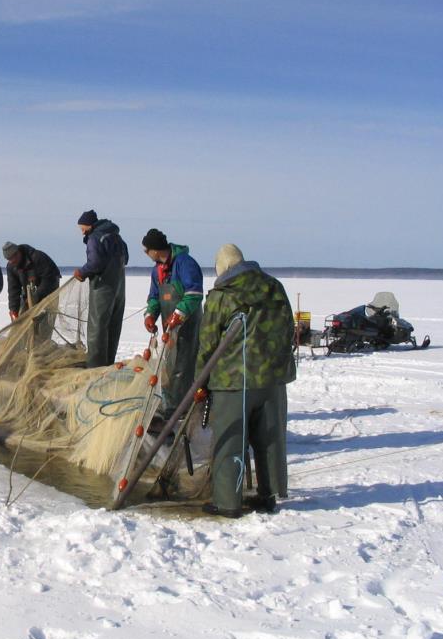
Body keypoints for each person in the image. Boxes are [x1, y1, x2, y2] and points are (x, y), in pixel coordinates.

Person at [197, 244, 296, 518]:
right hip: (272, 380)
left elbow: (208, 342)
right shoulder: (274, 287)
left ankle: (228, 502)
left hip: (234, 380)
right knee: (269, 438)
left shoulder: (222, 296)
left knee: (231, 439)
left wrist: (201, 381)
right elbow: (289, 328)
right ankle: (269, 494)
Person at [142, 228, 203, 423]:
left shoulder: (185, 263)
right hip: (170, 328)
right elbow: (154, 297)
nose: (145, 253)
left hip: (188, 325)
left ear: (156, 249)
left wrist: (179, 314)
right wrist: (150, 315)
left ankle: (182, 410)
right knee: (169, 365)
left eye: (147, 250)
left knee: (184, 366)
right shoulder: (156, 270)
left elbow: (194, 294)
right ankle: (170, 406)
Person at [73, 210, 128, 368]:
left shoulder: (94, 238)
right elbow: (126, 258)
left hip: (102, 287)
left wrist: (82, 272)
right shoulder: (116, 237)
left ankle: (95, 367)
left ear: (89, 225)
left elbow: (95, 263)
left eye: (82, 227)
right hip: (119, 288)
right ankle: (109, 363)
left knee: (97, 327)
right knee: (113, 325)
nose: (81, 231)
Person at [2, 241, 61, 320]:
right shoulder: (11, 267)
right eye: (9, 259)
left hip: (48, 294)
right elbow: (13, 290)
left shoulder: (37, 257)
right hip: (29, 294)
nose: (12, 261)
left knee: (43, 325)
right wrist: (13, 309)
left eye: (13, 257)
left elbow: (49, 279)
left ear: (18, 252)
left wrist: (36, 296)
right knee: (22, 320)